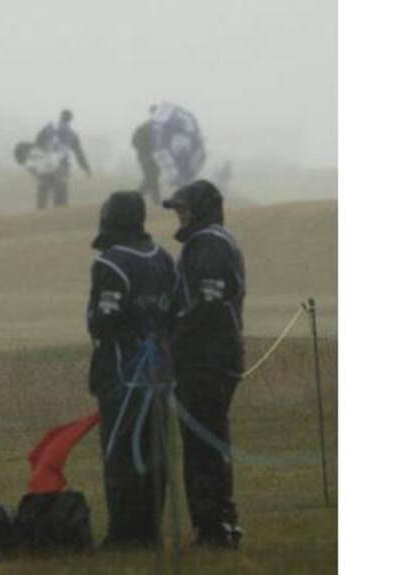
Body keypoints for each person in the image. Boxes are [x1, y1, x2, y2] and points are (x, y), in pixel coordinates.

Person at [86, 191, 176, 549]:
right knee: (155, 453)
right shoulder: (165, 259)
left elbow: (102, 322)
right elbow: (174, 313)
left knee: (122, 455)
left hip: (122, 375)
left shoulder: (111, 264)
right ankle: (150, 531)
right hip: (160, 374)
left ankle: (125, 535)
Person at [163, 179, 245, 549]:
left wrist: (173, 338)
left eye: (183, 208)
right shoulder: (212, 241)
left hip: (206, 361)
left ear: (200, 209)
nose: (179, 215)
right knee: (208, 443)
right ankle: (220, 524)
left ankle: (214, 529)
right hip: (212, 358)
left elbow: (208, 301)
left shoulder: (209, 243)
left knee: (202, 447)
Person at [33, 109, 92, 208]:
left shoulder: (47, 128)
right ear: (70, 120)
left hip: (45, 164)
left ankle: (38, 216)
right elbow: (79, 153)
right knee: (61, 196)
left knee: (42, 193)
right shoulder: (72, 134)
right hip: (61, 166)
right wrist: (85, 167)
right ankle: (58, 218)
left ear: (60, 117)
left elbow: (37, 144)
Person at [132, 111, 161, 205]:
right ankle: (137, 197)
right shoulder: (151, 128)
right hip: (147, 158)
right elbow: (135, 142)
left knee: (153, 176)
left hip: (148, 157)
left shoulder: (145, 127)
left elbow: (134, 142)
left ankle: (155, 199)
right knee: (151, 177)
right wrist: (145, 149)